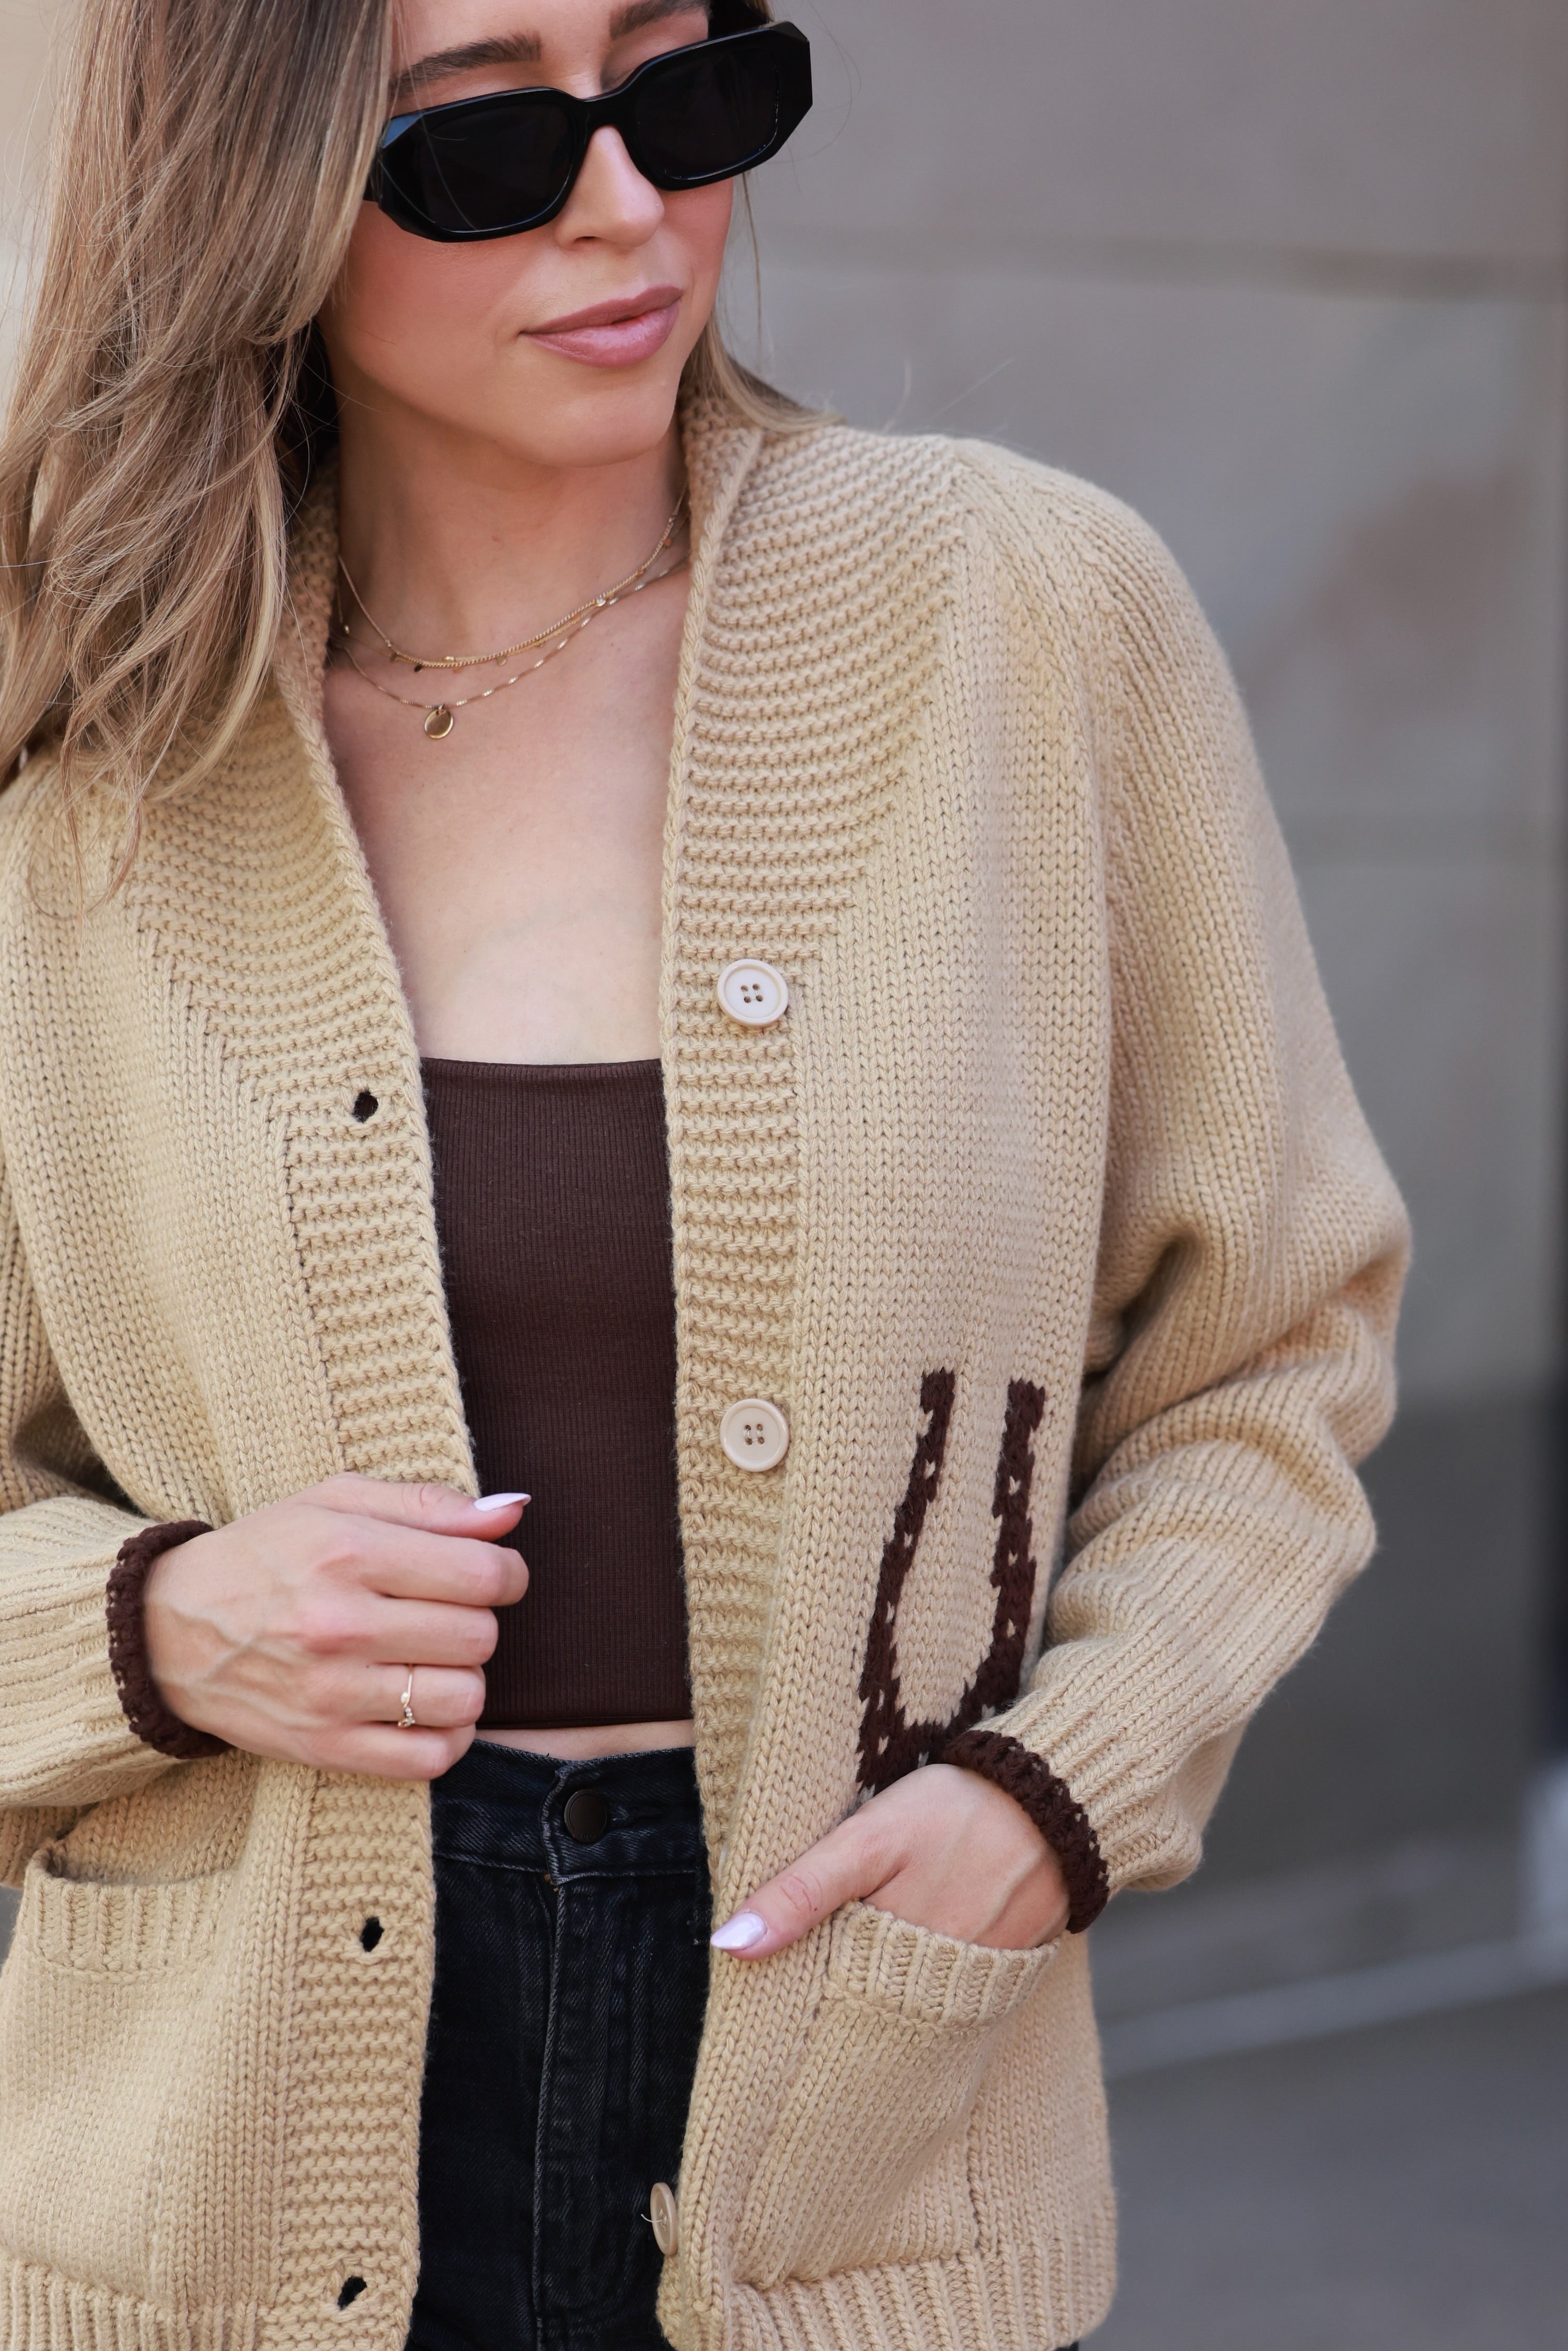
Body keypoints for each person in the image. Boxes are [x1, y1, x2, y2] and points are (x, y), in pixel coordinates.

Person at [0, 0, 1409, 2346]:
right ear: (250, 187)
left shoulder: (1023, 619)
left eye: (692, 85)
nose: (632, 206)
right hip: (217, 2145)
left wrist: (1051, 1800)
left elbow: (1271, 1352)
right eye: (488, 138)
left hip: (859, 2091)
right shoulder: (85, 755)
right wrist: (144, 1631)